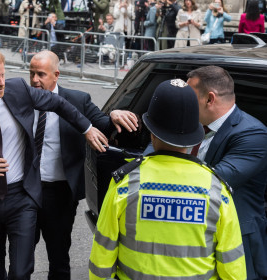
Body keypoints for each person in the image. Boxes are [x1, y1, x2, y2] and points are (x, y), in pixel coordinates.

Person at [0, 46, 109, 279]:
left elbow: (58, 103)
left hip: (21, 197)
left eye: (3, 75)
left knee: (20, 272)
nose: (2, 83)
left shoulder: (17, 90)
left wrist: (87, 129)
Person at [89, 78, 246, 279]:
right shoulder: (216, 190)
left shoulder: (125, 184)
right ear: (195, 134)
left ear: (151, 132)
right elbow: (233, 269)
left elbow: (101, 260)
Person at [29, 50, 138, 280]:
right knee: (22, 256)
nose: (35, 80)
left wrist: (115, 114)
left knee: (58, 258)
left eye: (41, 74)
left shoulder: (78, 100)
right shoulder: (23, 99)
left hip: (59, 194)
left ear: (56, 75)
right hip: (25, 191)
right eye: (32, 74)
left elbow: (103, 125)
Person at [186, 65, 267, 280]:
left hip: (237, 243)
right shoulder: (191, 124)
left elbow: (213, 180)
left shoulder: (252, 133)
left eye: (189, 96)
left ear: (209, 99)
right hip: (193, 236)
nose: (184, 103)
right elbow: (152, 150)